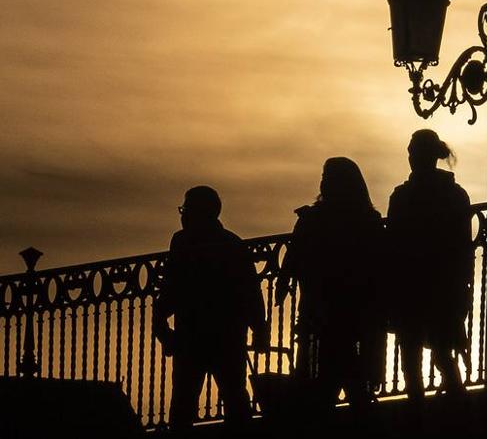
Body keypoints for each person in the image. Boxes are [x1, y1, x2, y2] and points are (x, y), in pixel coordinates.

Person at [276, 157, 387, 412]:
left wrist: (285, 280)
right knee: (353, 387)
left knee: (319, 389)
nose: (323, 183)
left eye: (328, 178)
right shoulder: (367, 221)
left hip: (327, 316)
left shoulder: (313, 220)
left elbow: (294, 256)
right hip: (350, 319)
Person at [154, 185, 268, 431]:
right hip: (225, 336)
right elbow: (250, 293)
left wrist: (161, 324)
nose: (182, 215)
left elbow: (171, 288)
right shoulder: (232, 244)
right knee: (235, 398)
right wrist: (259, 329)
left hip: (194, 335)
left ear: (197, 213)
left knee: (185, 404)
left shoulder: (183, 242)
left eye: (185, 209)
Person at [387, 129, 474, 403]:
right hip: (443, 286)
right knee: (441, 352)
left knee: (412, 354)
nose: (410, 157)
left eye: (413, 152)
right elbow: (463, 247)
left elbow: (393, 243)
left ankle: (419, 412)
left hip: (412, 286)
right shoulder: (456, 195)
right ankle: (457, 404)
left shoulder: (401, 197)